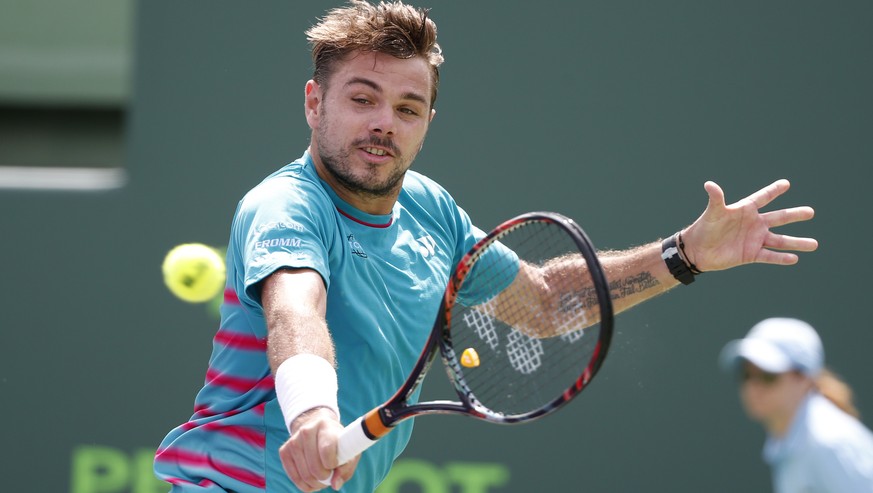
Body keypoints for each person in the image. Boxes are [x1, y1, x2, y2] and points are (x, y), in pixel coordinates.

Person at [154, 1, 819, 492]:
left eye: (408, 107)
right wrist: (314, 414)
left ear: (427, 123)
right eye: (363, 98)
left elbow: (545, 302)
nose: (384, 121)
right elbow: (295, 310)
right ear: (313, 101)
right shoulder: (287, 203)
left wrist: (685, 254)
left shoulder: (431, 211)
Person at [719, 318, 873, 492]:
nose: (754, 387)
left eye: (768, 376)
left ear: (804, 379)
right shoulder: (789, 440)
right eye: (747, 375)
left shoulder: (828, 444)